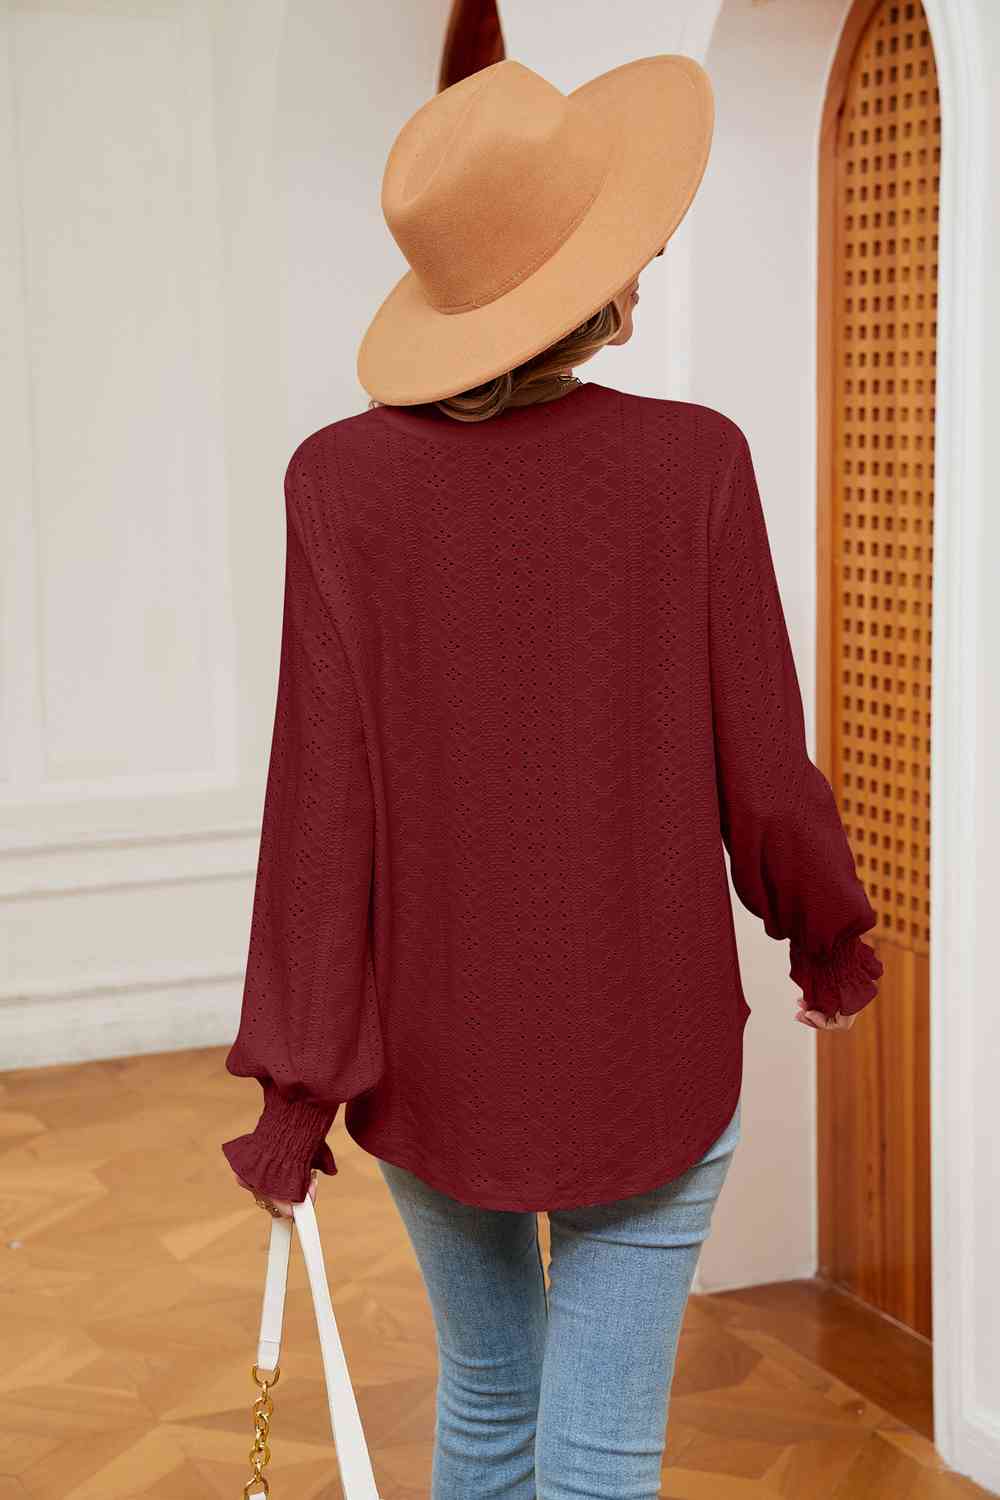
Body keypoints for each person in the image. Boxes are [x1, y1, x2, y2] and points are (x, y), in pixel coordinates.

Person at [222, 55, 883, 1499]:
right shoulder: (694, 466)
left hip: (434, 1056)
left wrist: (297, 1086)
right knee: (601, 1452)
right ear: (590, 280)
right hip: (651, 1043)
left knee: (487, 1403)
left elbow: (320, 815)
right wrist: (826, 934)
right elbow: (766, 772)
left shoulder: (337, 485)